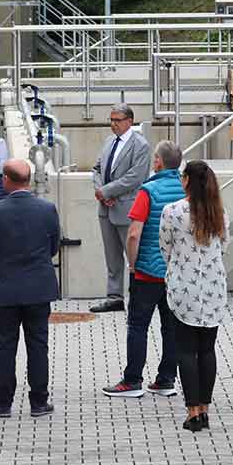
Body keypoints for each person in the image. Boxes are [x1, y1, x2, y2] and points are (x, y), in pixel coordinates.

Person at [102, 141, 184, 399]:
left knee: (138, 326)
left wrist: (133, 263)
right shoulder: (185, 189)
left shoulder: (148, 191)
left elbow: (134, 233)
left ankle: (132, 380)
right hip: (175, 271)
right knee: (171, 328)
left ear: (158, 162)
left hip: (147, 271)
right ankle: (166, 379)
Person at [0, 159, 60, 418]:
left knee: (6, 345)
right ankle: (39, 401)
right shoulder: (47, 209)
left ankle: (3, 402)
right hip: (38, 288)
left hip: (4, 289)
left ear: (6, 179)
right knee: (38, 345)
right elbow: (53, 247)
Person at [160, 160, 229, 433]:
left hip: (183, 289)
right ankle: (205, 409)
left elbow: (165, 247)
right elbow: (223, 246)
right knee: (207, 349)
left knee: (185, 351)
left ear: (187, 180)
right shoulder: (219, 212)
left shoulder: (173, 211)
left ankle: (192, 412)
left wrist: (176, 267)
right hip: (213, 288)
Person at [90, 104, 151, 313]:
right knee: (112, 255)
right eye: (111, 120)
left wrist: (107, 191)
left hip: (125, 207)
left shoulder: (140, 145)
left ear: (129, 121)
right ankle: (114, 296)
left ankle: (139, 297)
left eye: (117, 120)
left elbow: (136, 177)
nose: (113, 124)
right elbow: (97, 168)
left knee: (133, 255)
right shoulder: (109, 142)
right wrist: (100, 191)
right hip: (106, 207)